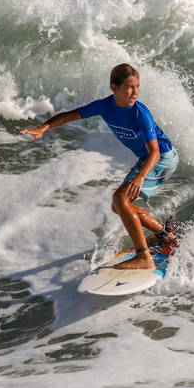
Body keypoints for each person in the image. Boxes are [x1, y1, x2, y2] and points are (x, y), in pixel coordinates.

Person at [20, 63, 178, 270]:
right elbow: (71, 115)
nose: (135, 92)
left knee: (120, 199)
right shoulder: (104, 106)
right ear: (114, 88)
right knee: (119, 206)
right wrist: (43, 127)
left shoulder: (140, 114)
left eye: (137, 86)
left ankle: (143, 257)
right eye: (129, 87)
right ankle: (165, 235)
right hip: (146, 158)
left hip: (162, 157)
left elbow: (155, 152)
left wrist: (140, 178)